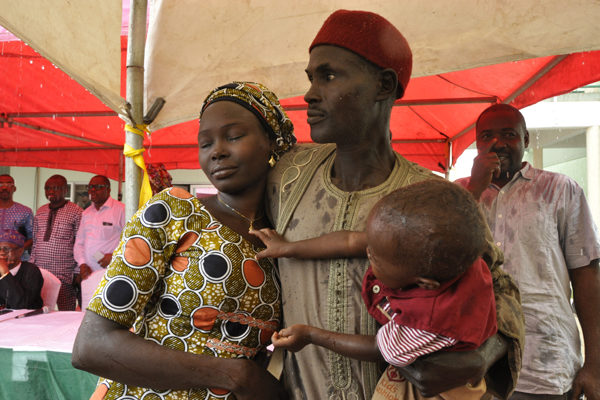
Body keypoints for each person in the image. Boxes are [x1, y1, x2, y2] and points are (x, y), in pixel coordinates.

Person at [265, 9, 524, 400]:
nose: (310, 94)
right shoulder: (285, 178)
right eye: (311, 78)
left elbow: (501, 292)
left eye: (329, 75)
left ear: (384, 84)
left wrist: (480, 357)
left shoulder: (434, 200)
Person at [72, 81, 296, 400]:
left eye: (233, 136)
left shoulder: (286, 240)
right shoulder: (176, 211)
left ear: (271, 142)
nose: (216, 150)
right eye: (205, 143)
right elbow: (90, 347)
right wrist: (235, 373)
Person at [255, 180, 497, 399]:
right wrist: (288, 249)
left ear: (424, 284)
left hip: (439, 392)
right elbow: (349, 241)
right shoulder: (425, 247)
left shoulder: (428, 321)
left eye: (376, 260)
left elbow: (380, 349)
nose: (368, 253)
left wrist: (311, 335)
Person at [456, 103, 600, 400]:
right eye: (487, 136)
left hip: (545, 364)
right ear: (477, 144)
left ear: (525, 140)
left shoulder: (561, 190)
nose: (497, 143)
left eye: (508, 134)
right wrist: (475, 187)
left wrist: (595, 364)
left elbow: (586, 277)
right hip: (472, 366)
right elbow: (440, 257)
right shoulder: (457, 195)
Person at [30, 175, 82, 311]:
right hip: (40, 270)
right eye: (47, 188)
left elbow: (80, 243)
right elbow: (35, 242)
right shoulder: (40, 211)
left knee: (66, 309)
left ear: (65, 190)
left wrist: (77, 271)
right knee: (40, 307)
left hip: (64, 271)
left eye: (56, 188)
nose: (51, 191)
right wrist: (31, 267)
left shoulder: (76, 211)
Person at [73, 175, 125, 283]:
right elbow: (79, 243)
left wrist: (115, 256)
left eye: (97, 187)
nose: (92, 190)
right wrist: (82, 264)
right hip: (88, 275)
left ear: (108, 189)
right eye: (90, 187)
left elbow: (132, 241)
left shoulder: (121, 210)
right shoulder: (86, 213)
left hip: (111, 275)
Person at [0, 229, 43, 309]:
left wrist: (5, 272)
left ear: (20, 251)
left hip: (27, 319)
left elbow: (21, 305)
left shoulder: (32, 271)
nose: (1, 253)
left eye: (6, 249)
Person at [0, 174, 33, 260]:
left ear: (14, 189)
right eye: (0, 184)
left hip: (17, 261)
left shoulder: (25, 211)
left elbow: (32, 237)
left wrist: (18, 250)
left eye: (8, 185)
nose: (4, 188)